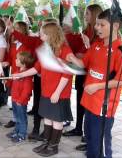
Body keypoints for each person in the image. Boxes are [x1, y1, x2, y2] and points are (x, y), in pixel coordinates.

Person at [68, 9, 122, 158]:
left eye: (102, 25)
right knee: (90, 141)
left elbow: (120, 80)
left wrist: (97, 86)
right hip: (89, 103)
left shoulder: (120, 51)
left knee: (99, 146)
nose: (97, 28)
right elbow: (84, 63)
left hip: (103, 107)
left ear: (115, 26)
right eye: (97, 24)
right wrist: (70, 58)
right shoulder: (96, 45)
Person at [13, 23, 74, 157]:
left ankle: (53, 146)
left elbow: (68, 73)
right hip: (46, 90)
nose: (39, 35)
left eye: (42, 33)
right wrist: (20, 74)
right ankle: (46, 142)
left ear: (50, 35)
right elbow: (36, 68)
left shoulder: (65, 50)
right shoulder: (45, 49)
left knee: (57, 120)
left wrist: (57, 92)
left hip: (59, 93)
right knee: (47, 118)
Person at [63, 4, 103, 151]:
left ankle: (89, 136)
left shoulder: (97, 34)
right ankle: (80, 128)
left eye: (87, 14)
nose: (85, 16)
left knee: (90, 106)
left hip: (92, 75)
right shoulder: (85, 31)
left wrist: (84, 50)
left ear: (94, 15)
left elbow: (86, 54)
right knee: (81, 102)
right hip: (82, 71)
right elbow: (79, 51)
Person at [6, 51, 34, 143]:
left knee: (21, 118)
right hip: (15, 99)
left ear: (24, 63)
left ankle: (22, 134)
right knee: (16, 117)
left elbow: (27, 90)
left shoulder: (27, 76)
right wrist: (6, 82)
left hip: (21, 102)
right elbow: (13, 84)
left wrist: (21, 100)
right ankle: (16, 131)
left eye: (17, 59)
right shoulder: (17, 72)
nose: (15, 60)